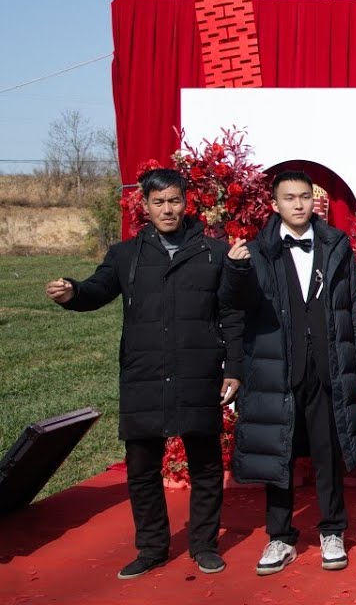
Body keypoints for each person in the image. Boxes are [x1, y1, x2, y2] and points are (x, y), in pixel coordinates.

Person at [45, 168, 242, 579]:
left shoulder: (214, 253)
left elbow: (232, 314)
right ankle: (151, 548)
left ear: (186, 202)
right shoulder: (125, 255)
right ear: (146, 207)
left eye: (174, 200)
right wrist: (72, 292)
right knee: (141, 468)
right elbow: (97, 289)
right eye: (159, 202)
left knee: (206, 466)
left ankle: (204, 546)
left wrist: (235, 367)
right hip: (144, 373)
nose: (167, 209)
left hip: (198, 371)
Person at [223, 170, 356, 576]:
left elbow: (353, 308)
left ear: (314, 200)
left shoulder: (335, 245)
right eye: (289, 198)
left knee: (328, 453)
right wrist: (235, 272)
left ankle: (332, 530)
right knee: (279, 454)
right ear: (275, 205)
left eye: (304, 196)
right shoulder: (256, 251)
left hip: (326, 368)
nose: (298, 204)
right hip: (276, 370)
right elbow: (234, 308)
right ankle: (280, 537)